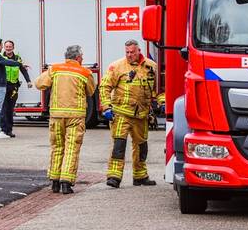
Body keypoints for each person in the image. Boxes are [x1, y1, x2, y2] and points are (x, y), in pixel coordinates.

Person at [33, 44, 97, 194]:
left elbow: (39, 83)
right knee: (71, 149)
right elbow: (91, 91)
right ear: (78, 57)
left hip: (56, 116)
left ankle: (54, 182)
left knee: (57, 147)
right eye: (82, 56)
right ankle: (66, 183)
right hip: (75, 116)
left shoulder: (54, 69)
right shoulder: (85, 72)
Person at [99, 39, 158, 188]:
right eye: (127, 52)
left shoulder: (151, 67)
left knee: (141, 146)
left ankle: (140, 176)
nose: (130, 55)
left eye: (132, 52)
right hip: (121, 114)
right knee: (119, 145)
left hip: (142, 115)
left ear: (139, 51)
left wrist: (161, 103)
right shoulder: (117, 66)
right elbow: (104, 86)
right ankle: (114, 176)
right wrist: (106, 107)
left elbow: (157, 90)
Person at [0, 40, 30, 138]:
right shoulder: (0, 57)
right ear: (4, 47)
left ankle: (9, 130)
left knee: (10, 109)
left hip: (14, 87)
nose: (8, 48)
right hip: (4, 86)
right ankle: (3, 130)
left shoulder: (17, 58)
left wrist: (28, 81)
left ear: (13, 47)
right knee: (3, 109)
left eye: (10, 46)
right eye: (7, 46)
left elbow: (22, 70)